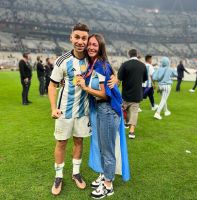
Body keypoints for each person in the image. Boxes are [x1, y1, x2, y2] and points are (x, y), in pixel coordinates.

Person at [77, 33, 129, 199]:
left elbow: (104, 94)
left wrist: (85, 88)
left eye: (95, 45)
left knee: (107, 150)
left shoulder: (99, 65)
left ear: (100, 48)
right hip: (101, 110)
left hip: (107, 110)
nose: (91, 47)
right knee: (102, 147)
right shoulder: (94, 64)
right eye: (90, 44)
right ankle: (104, 176)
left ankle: (108, 185)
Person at [48, 23, 91, 196]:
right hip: (64, 110)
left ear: (87, 40)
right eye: (77, 37)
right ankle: (58, 176)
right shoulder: (62, 60)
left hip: (83, 111)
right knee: (62, 142)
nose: (80, 41)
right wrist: (53, 108)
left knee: (79, 141)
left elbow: (106, 70)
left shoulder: (92, 59)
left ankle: (76, 173)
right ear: (71, 38)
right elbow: (52, 86)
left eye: (84, 38)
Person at [117, 49, 147, 139]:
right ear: (137, 54)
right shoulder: (142, 65)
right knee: (134, 112)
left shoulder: (125, 65)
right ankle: (131, 132)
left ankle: (125, 124)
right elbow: (145, 79)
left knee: (124, 109)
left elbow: (119, 78)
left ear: (128, 54)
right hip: (137, 92)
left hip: (126, 92)